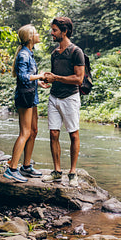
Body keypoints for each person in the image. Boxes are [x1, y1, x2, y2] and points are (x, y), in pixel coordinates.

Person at [42, 17, 85, 187]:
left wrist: (57, 78)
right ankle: (57, 171)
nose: (51, 33)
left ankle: (72, 173)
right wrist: (49, 81)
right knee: (53, 134)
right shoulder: (54, 53)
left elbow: (79, 79)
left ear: (64, 31)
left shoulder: (76, 52)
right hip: (54, 97)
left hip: (70, 98)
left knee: (73, 134)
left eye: (54, 30)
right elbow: (56, 76)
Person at [4, 24, 49, 183]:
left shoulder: (29, 53)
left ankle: (26, 166)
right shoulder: (24, 55)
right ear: (30, 37)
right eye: (36, 33)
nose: (38, 35)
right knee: (25, 132)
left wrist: (38, 82)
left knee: (34, 130)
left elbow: (29, 78)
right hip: (24, 97)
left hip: (31, 95)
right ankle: (12, 169)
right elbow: (23, 78)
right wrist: (40, 76)